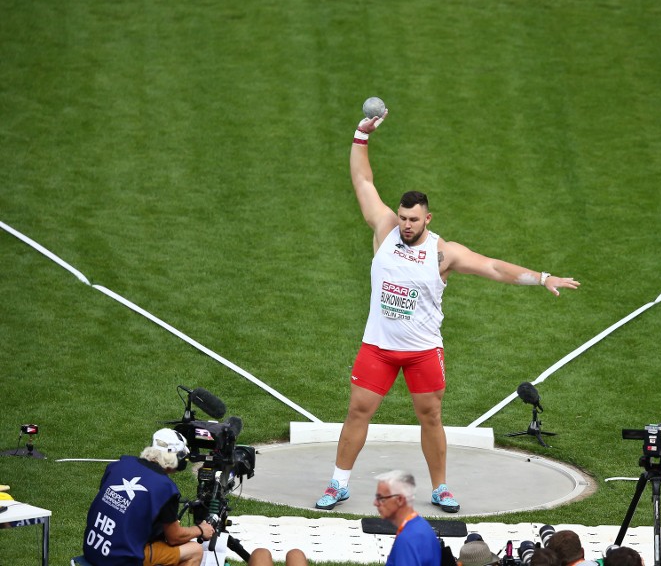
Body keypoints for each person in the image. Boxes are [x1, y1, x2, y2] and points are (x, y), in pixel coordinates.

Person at [316, 107, 581, 513]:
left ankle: (440, 488)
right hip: (379, 347)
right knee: (357, 411)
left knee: (431, 417)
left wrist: (542, 277)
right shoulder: (384, 229)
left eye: (413, 219)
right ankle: (338, 483)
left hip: (423, 350)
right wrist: (361, 135)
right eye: (403, 218)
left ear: (428, 218)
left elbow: (493, 267)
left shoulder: (444, 253)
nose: (405, 225)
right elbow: (362, 180)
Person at [82, 428, 273, 566]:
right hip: (120, 559)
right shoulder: (164, 487)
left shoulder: (119, 465)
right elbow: (174, 538)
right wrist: (201, 529)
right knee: (194, 551)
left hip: (94, 549)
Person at [373, 470, 442, 566]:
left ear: (400, 500)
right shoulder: (421, 526)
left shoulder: (407, 540)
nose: (375, 503)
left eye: (381, 498)